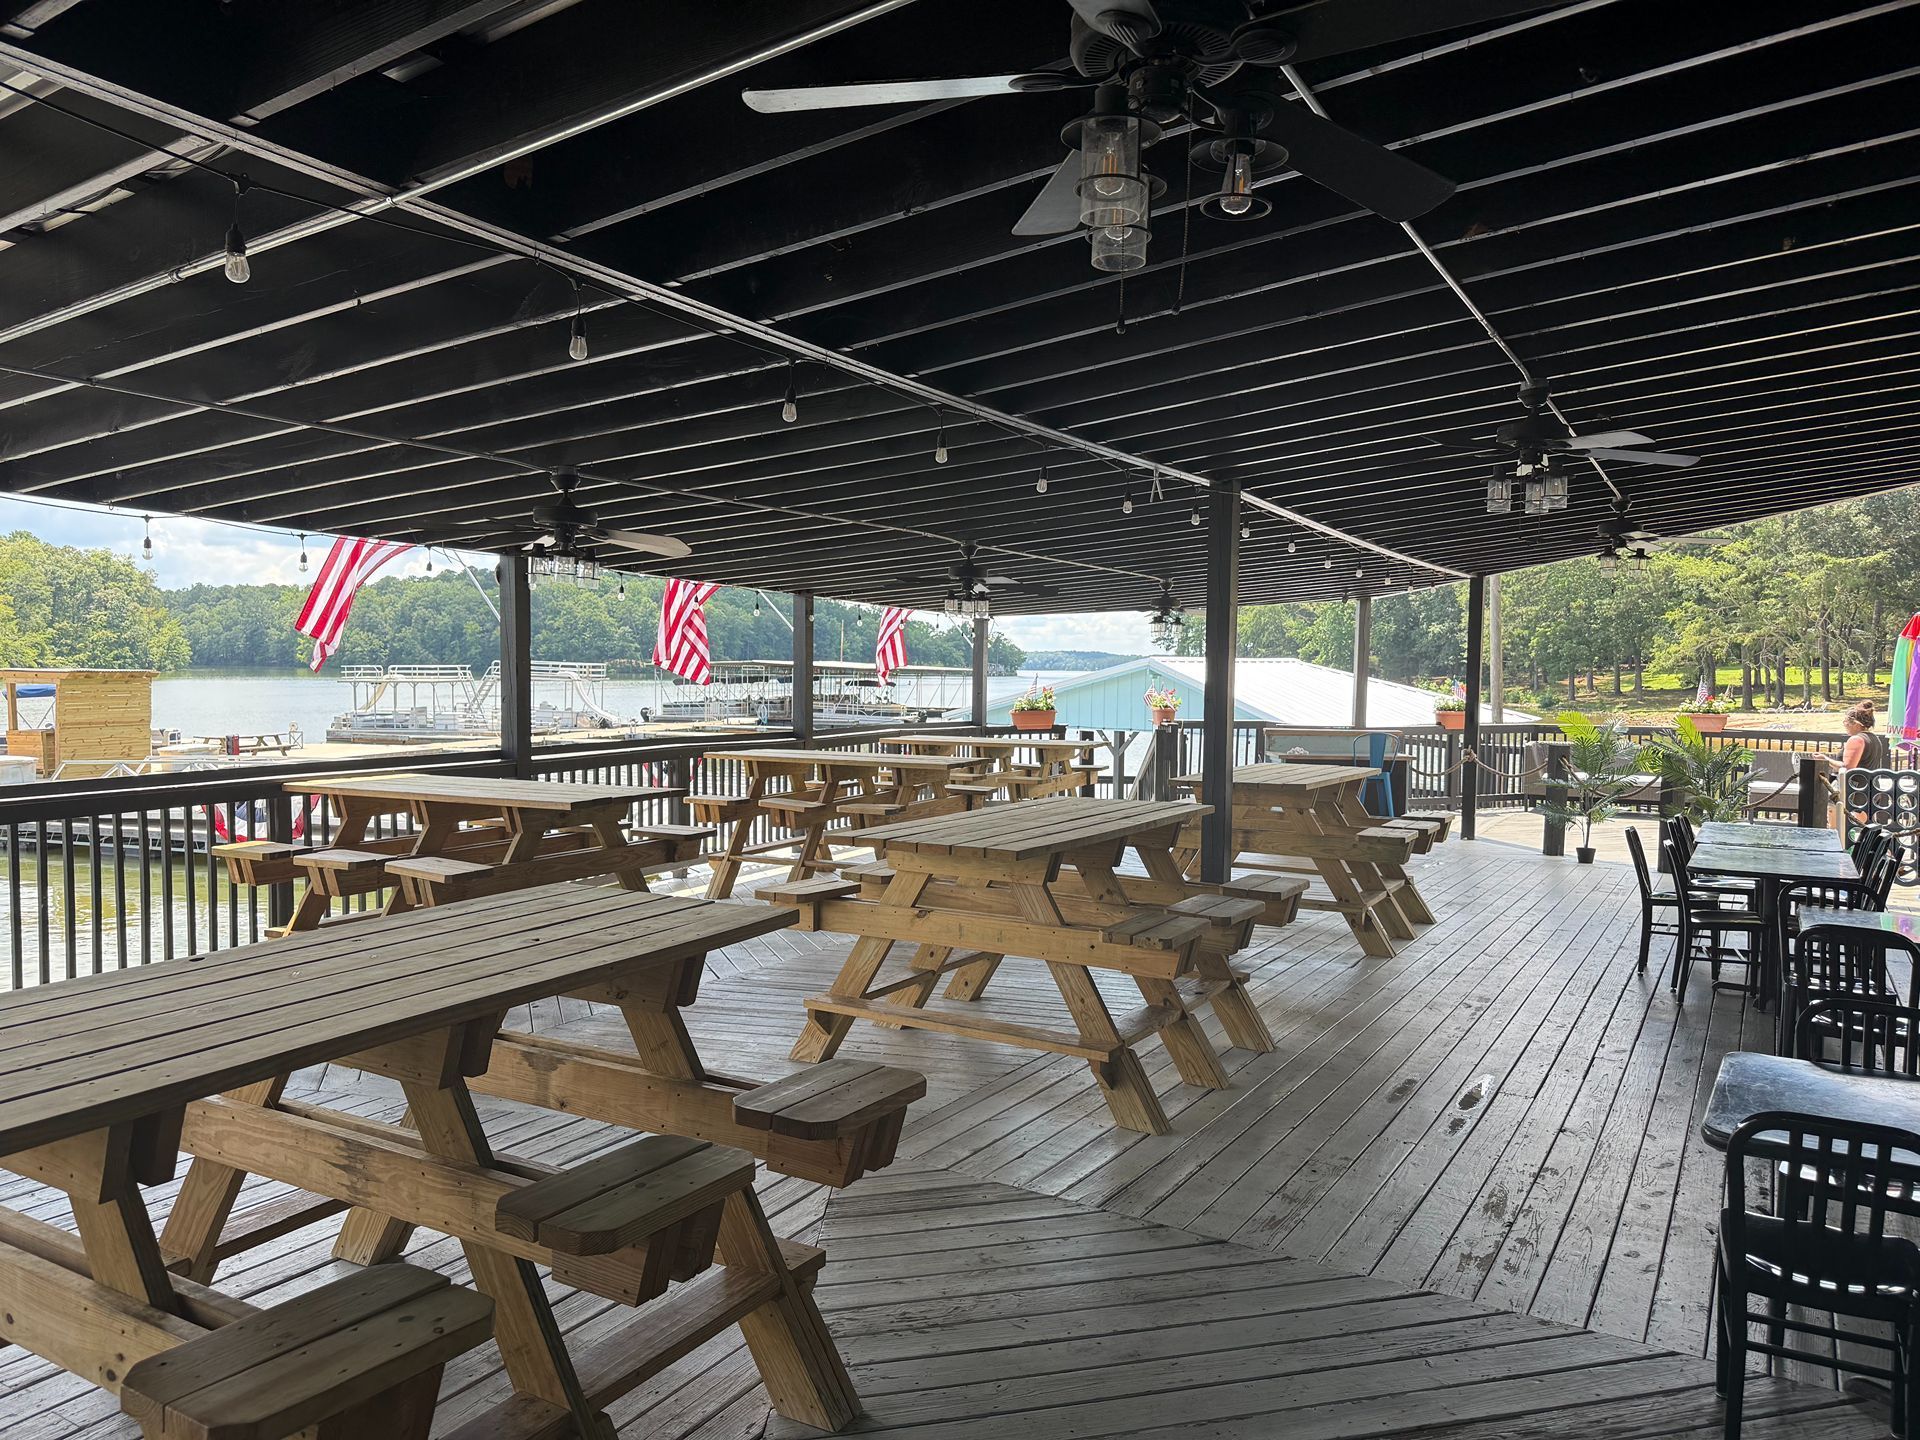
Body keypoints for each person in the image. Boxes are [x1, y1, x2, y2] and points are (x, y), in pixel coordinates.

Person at [1825, 699, 1890, 827]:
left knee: (1837, 828)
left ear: (1855, 723)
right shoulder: (1874, 739)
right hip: (1870, 790)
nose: (1844, 725)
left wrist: (1826, 760)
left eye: (1846, 722)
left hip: (1853, 792)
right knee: (1858, 830)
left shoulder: (1856, 739)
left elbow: (1848, 767)